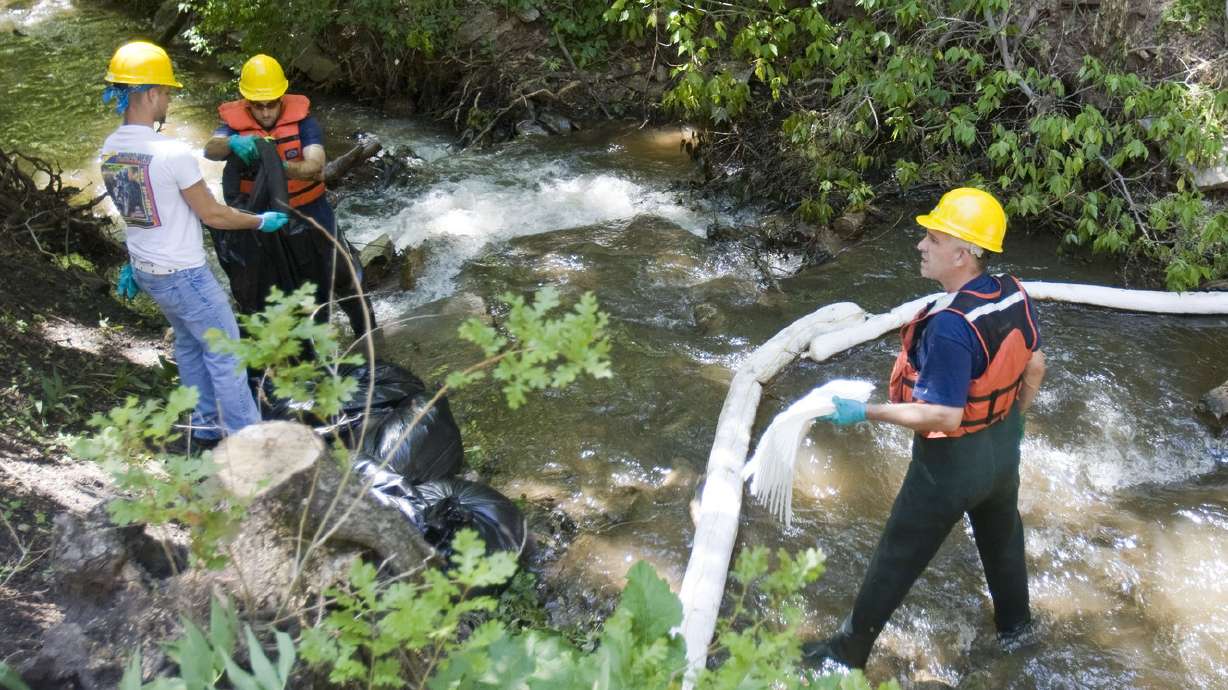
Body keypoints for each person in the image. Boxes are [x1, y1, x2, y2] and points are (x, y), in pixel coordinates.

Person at [802, 187, 1048, 670]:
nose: (921, 246)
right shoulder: (1014, 293)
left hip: (950, 468)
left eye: (932, 238)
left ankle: (845, 654)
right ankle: (1018, 634)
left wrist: (864, 413)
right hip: (1001, 453)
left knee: (897, 556)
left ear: (961, 253)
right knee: (1003, 544)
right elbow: (1035, 364)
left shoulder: (951, 326)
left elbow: (944, 416)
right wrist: (1015, 422)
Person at [99, 41, 288, 444]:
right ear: (151, 93)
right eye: (166, 92)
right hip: (183, 273)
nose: (168, 100)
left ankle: (204, 426)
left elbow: (137, 210)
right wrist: (259, 220)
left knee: (188, 343)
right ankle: (248, 441)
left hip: (149, 270)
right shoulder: (171, 152)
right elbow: (213, 214)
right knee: (226, 349)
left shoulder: (111, 149)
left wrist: (134, 261)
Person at [203, 54, 376, 340]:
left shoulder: (305, 124)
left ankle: (368, 338)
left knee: (344, 276)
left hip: (311, 212)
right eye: (258, 106)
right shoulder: (234, 127)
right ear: (247, 102)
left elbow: (316, 167)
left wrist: (272, 165)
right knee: (275, 292)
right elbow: (211, 149)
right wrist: (233, 142)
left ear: (282, 97)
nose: (266, 112)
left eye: (272, 104)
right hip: (265, 222)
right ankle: (294, 352)